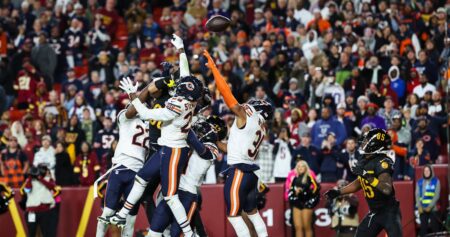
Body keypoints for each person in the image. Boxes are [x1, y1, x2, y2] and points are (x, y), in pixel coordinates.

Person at [109, 35, 203, 237]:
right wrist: (181, 50)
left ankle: (188, 233)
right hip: (166, 147)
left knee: (170, 196)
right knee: (141, 178)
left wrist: (133, 96)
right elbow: (185, 73)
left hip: (174, 151)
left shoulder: (176, 106)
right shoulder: (189, 100)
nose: (180, 84)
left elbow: (146, 114)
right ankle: (124, 212)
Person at [204, 49, 271, 237]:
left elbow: (226, 93)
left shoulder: (247, 117)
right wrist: (215, 141)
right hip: (250, 174)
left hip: (239, 173)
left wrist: (215, 70)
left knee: (233, 215)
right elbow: (233, 148)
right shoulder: (261, 128)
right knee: (253, 214)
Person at [148, 120, 221, 236]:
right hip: (172, 193)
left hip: (188, 195)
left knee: (176, 234)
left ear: (205, 135)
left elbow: (204, 152)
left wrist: (188, 132)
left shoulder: (211, 147)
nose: (196, 134)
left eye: (199, 133)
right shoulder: (184, 143)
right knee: (154, 231)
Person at [325, 128, 402, 237]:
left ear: (375, 144)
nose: (364, 142)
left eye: (367, 140)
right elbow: (359, 182)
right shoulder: (364, 160)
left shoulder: (383, 161)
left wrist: (367, 175)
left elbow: (386, 189)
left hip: (389, 212)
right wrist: (338, 192)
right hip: (374, 212)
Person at [96, 97, 150, 237]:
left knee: (130, 218)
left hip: (136, 172)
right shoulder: (126, 118)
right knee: (107, 212)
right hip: (123, 168)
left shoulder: (149, 124)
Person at [288, 160, 320, 237]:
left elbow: (316, 189)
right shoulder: (294, 179)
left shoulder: (310, 178)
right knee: (298, 227)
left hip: (307, 203)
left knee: (307, 227)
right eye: (298, 166)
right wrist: (295, 193)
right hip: (297, 203)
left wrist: (307, 195)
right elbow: (290, 191)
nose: (300, 168)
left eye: (302, 166)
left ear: (306, 168)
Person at [416, 165, 441, 236]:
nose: (426, 172)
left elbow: (437, 195)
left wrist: (430, 206)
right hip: (422, 209)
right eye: (425, 171)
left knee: (435, 227)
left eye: (428, 170)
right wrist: (419, 207)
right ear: (423, 172)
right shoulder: (419, 182)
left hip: (433, 209)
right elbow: (417, 195)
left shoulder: (436, 181)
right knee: (423, 229)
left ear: (431, 171)